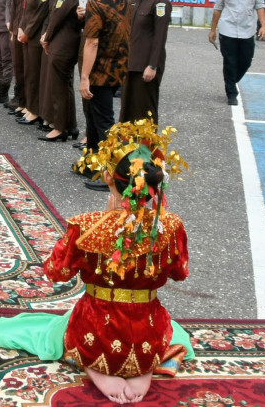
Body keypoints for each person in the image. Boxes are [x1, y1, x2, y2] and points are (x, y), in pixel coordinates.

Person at [39, 120, 188, 403]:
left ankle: (96, 368)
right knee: (173, 333)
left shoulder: (86, 226)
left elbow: (56, 271)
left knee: (60, 331)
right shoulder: (171, 226)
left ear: (108, 176)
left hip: (97, 332)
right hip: (148, 334)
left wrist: (106, 225)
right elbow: (180, 273)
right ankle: (143, 368)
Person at [76, 0, 131, 188]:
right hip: (119, 65)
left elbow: (92, 42)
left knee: (104, 123)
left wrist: (85, 77)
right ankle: (91, 163)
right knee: (92, 117)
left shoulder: (96, 0)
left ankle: (114, 175)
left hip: (100, 70)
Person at [38, 0, 88, 143]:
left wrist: (46, 37)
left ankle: (60, 128)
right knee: (64, 83)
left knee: (59, 83)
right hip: (65, 40)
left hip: (63, 41)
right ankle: (69, 124)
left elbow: (57, 17)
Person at [209, 0, 265, 106]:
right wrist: (212, 30)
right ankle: (231, 93)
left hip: (247, 30)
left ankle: (231, 80)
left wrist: (264, 25)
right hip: (227, 30)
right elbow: (218, 8)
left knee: (246, 61)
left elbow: (260, 6)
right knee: (229, 62)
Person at [120, 0, 170, 124]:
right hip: (130, 62)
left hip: (146, 65)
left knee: (144, 109)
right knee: (128, 107)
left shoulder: (160, 2)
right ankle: (128, 147)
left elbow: (159, 38)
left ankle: (146, 148)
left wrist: (152, 65)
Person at [17, 0, 55, 127]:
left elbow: (39, 14)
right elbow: (26, 10)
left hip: (34, 36)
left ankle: (35, 110)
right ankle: (30, 106)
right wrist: (20, 28)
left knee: (34, 74)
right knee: (28, 72)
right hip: (26, 34)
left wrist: (27, 32)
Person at [8, 0, 35, 114]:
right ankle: (20, 100)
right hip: (16, 30)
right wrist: (12, 29)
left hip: (28, 31)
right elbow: (13, 9)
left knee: (28, 68)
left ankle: (29, 104)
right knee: (18, 67)